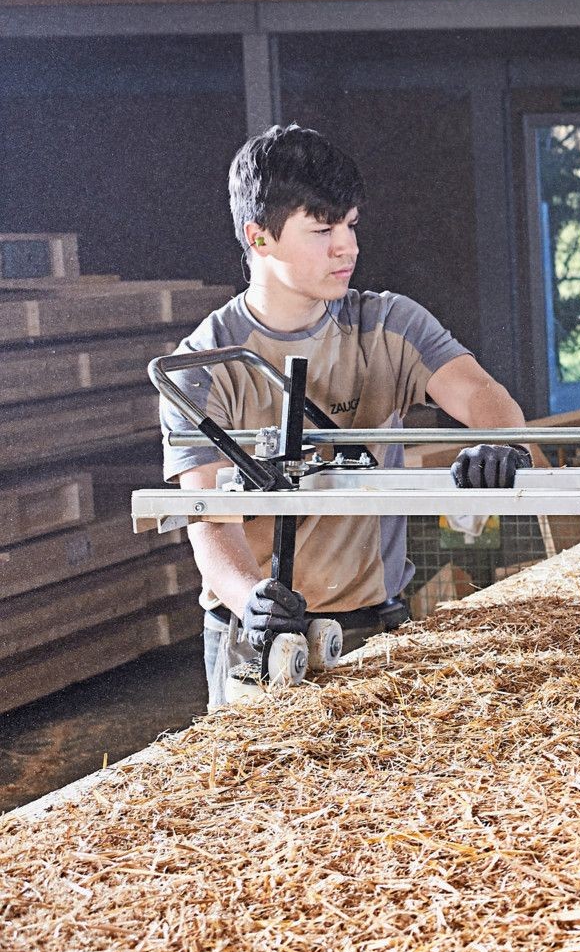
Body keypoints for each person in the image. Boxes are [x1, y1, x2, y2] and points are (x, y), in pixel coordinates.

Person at [161, 124, 535, 707]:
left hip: (374, 628)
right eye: (322, 230)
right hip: (257, 638)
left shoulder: (387, 325)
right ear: (258, 238)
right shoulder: (203, 364)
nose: (347, 247)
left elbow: (483, 396)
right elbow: (209, 518)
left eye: (351, 224)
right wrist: (249, 599)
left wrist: (502, 444)